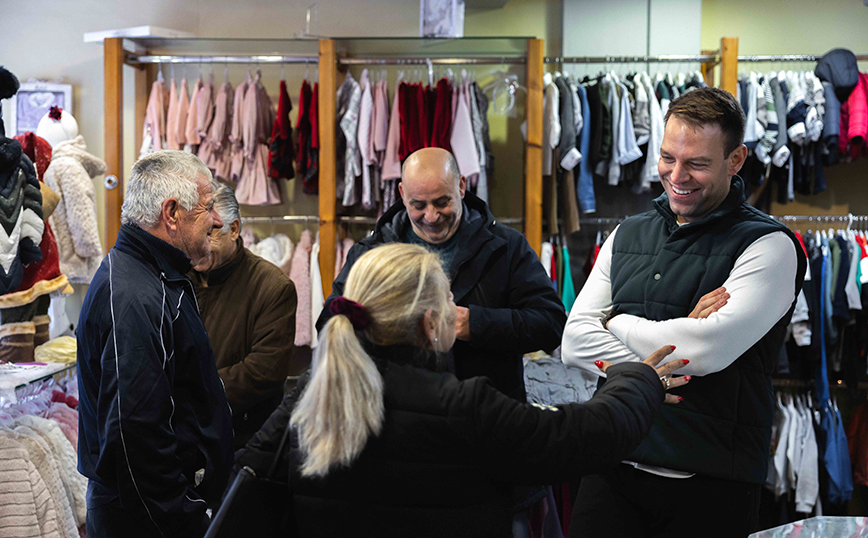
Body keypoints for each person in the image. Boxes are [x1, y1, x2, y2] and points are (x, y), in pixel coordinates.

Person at [236, 243, 688, 537]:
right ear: (431, 323)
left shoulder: (309, 396)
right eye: (448, 299)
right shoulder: (461, 405)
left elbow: (250, 478)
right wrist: (639, 377)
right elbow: (582, 437)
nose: (457, 307)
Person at [562, 87, 808, 537]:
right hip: (612, 462)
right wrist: (660, 360)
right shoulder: (627, 234)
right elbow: (574, 341)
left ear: (736, 161)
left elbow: (704, 351)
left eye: (697, 163)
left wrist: (616, 321)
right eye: (667, 158)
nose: (677, 175)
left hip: (711, 480)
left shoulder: (770, 246)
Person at [318, 147, 565, 401]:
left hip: (487, 416)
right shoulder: (370, 253)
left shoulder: (507, 247)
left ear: (461, 186)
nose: (432, 216)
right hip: (400, 414)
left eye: (441, 202)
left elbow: (552, 323)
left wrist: (475, 324)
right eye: (418, 205)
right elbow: (331, 322)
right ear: (402, 194)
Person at [77, 150, 234, 538]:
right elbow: (136, 435)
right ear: (171, 213)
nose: (217, 220)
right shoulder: (136, 296)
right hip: (149, 521)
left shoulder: (153, 275)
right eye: (208, 207)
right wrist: (185, 517)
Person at [191, 182, 297, 450]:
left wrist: (188, 393)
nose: (198, 244)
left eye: (210, 232)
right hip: (185, 438)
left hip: (242, 442)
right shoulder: (178, 278)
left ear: (234, 230)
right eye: (193, 231)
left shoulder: (272, 287)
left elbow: (263, 372)